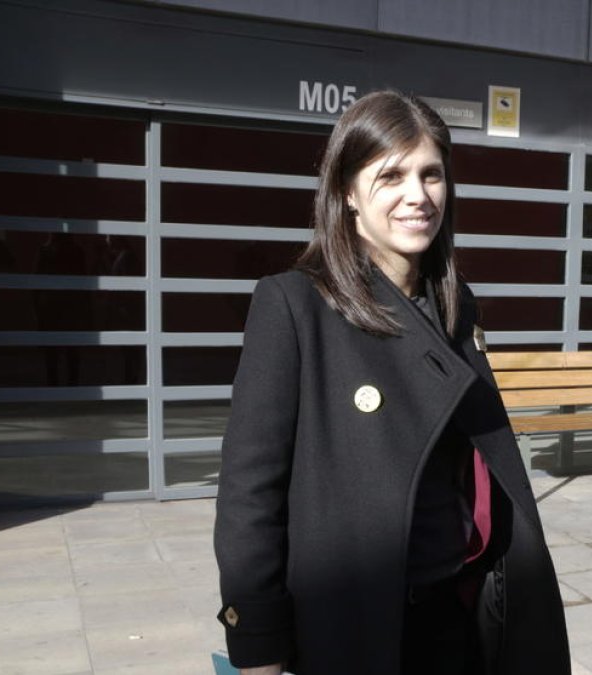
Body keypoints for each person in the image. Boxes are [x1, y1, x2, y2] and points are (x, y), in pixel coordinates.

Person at [214, 90, 570, 675]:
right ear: (348, 193)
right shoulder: (295, 304)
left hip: (456, 613)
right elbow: (249, 494)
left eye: (432, 174)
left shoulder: (456, 305)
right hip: (355, 625)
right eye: (391, 175)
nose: (417, 195)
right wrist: (259, 645)